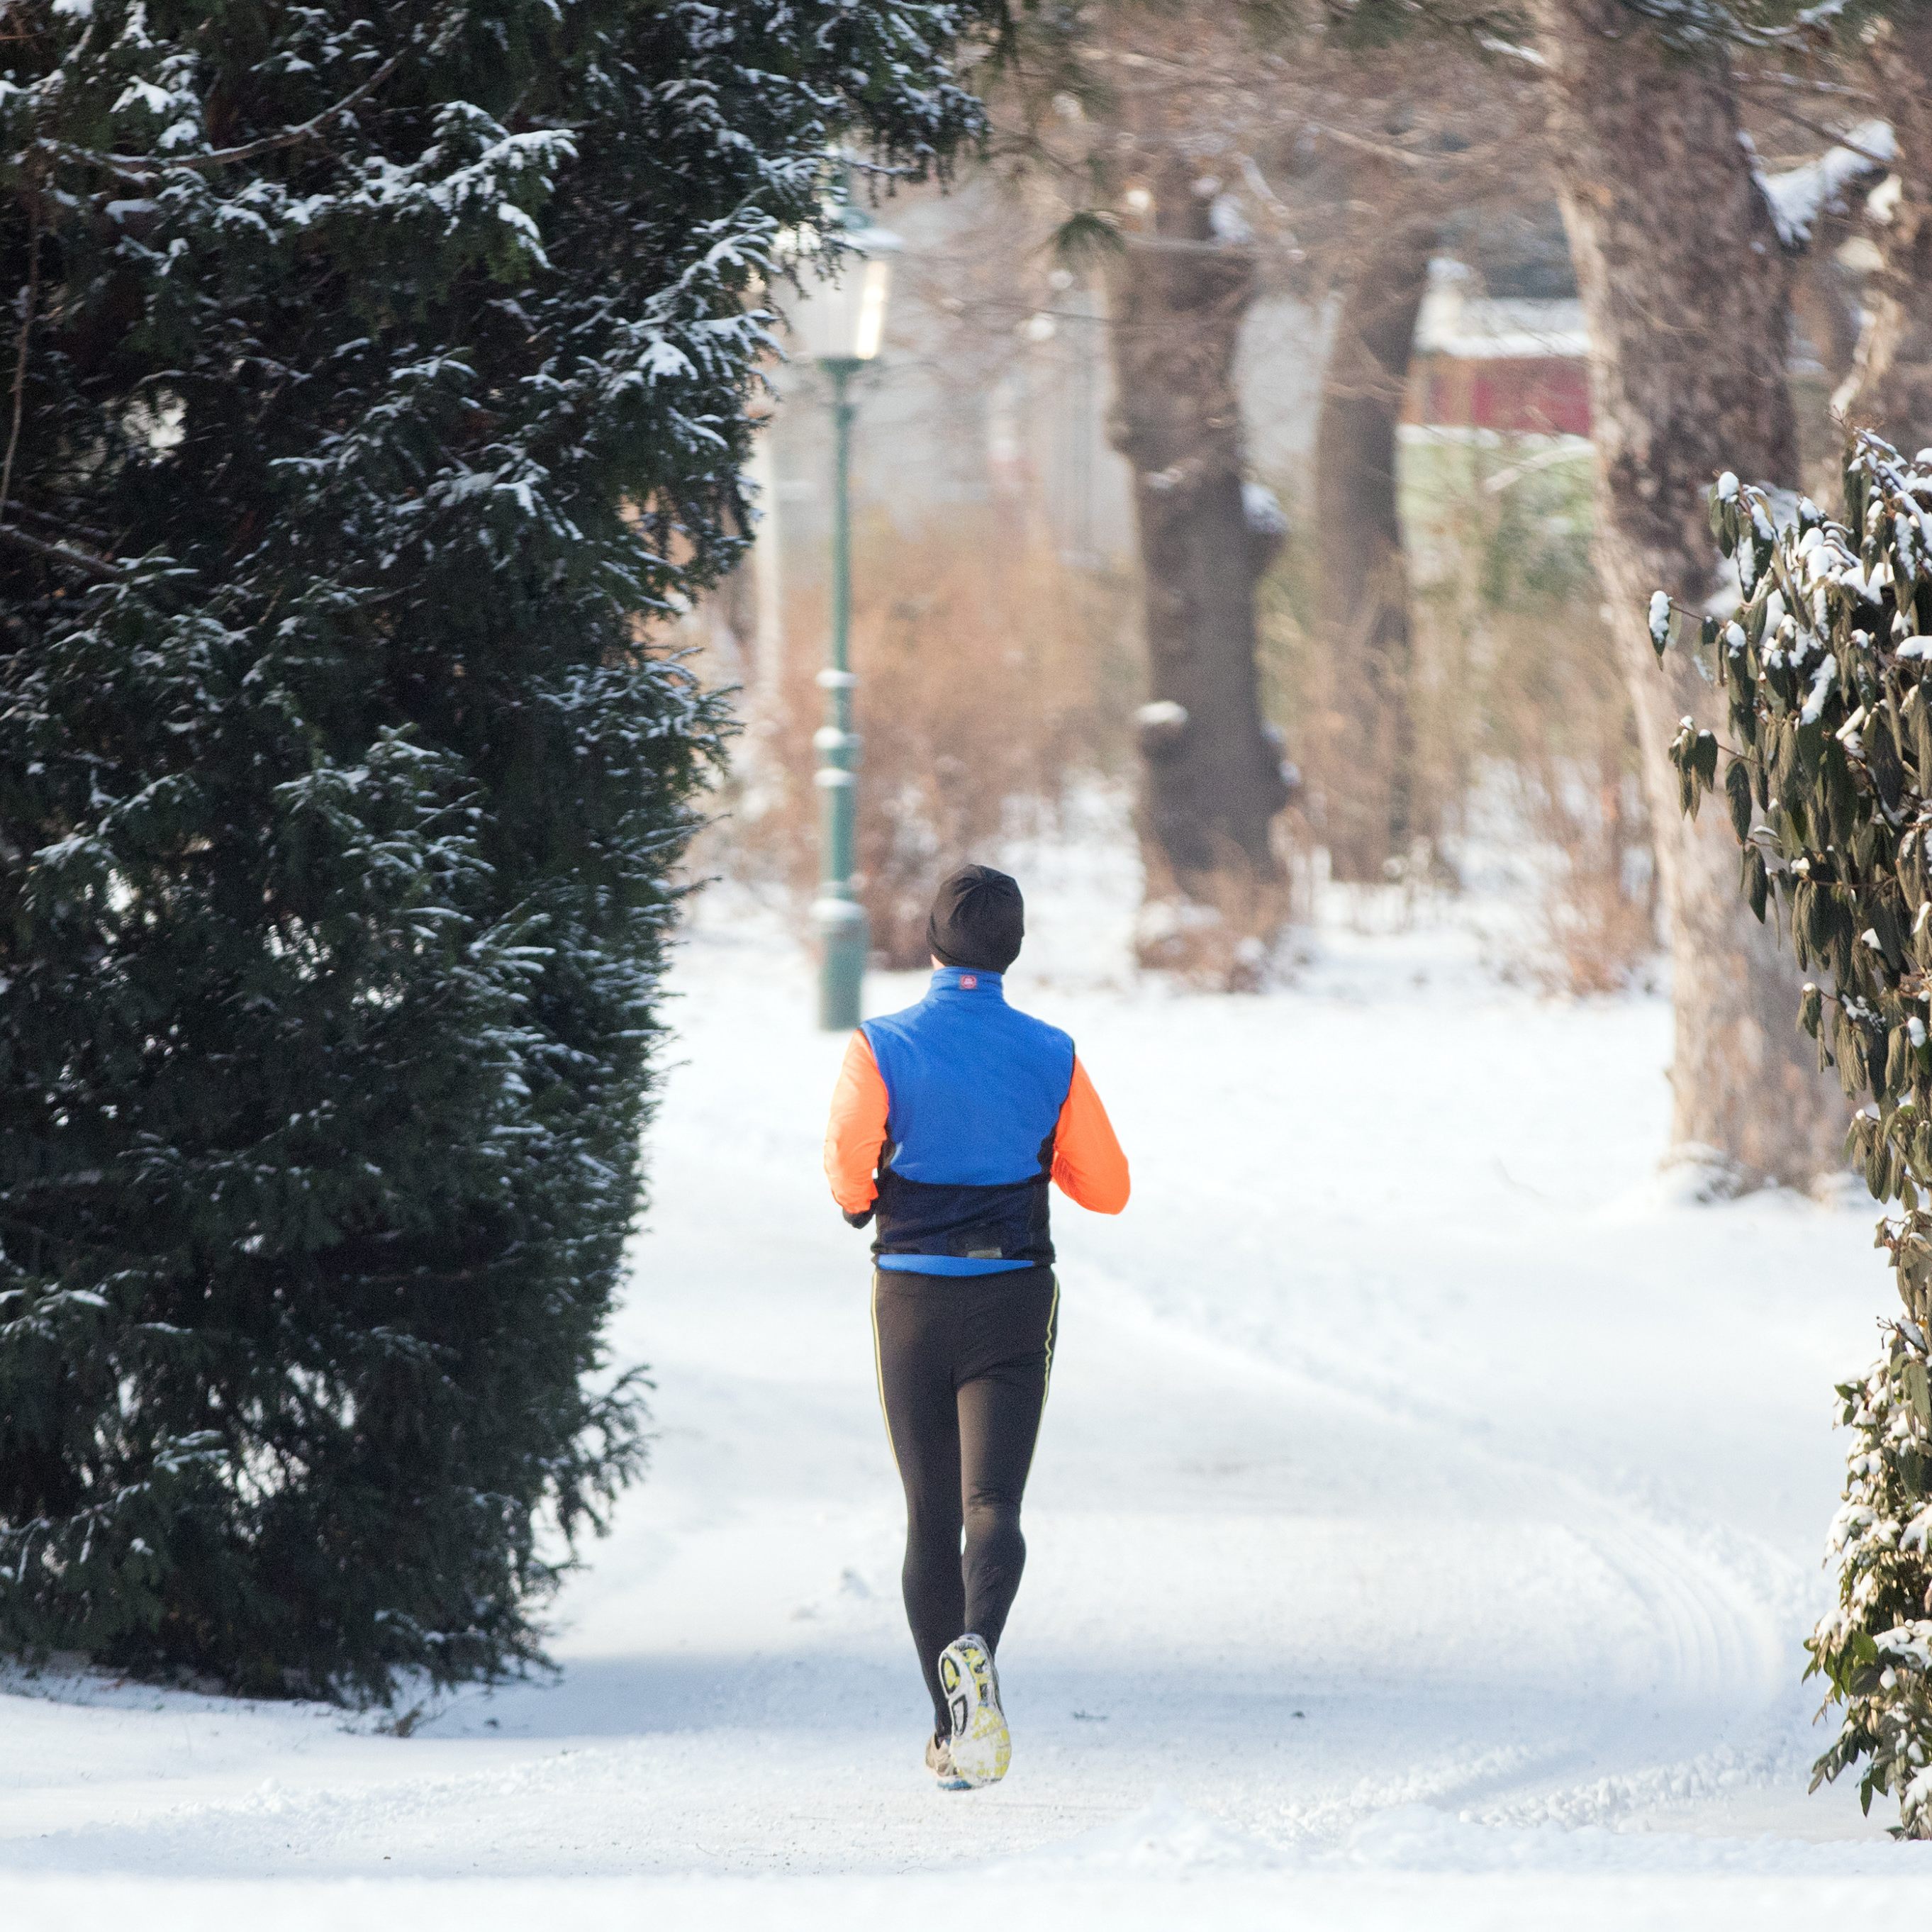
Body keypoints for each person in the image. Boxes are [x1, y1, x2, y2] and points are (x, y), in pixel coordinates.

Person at [822, 864, 1129, 1789]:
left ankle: (951, 1729)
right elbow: (1106, 1188)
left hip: (911, 1298)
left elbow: (846, 1162)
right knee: (992, 1508)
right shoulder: (1051, 1051)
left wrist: (864, 1199)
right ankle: (977, 1653)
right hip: (1012, 1297)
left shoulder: (878, 1043)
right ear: (1017, 948)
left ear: (928, 941)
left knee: (928, 1514)